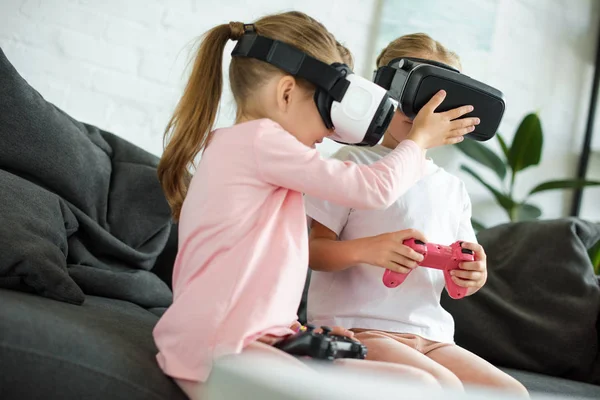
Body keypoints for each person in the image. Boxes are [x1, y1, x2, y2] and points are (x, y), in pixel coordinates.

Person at [152, 15, 479, 398]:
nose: (330, 129)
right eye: (327, 107)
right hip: (216, 348)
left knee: (421, 386)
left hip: (252, 339)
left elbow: (256, 282)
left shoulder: (256, 151)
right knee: (419, 387)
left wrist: (304, 336)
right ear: (286, 93)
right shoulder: (261, 141)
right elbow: (373, 189)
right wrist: (419, 139)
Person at [305, 33, 528, 396]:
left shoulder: (453, 188)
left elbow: (463, 270)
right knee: (439, 387)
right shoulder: (352, 164)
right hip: (358, 328)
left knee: (510, 393)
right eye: (416, 97)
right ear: (385, 90)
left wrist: (474, 274)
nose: (425, 113)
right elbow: (313, 252)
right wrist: (367, 250)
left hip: (433, 335)